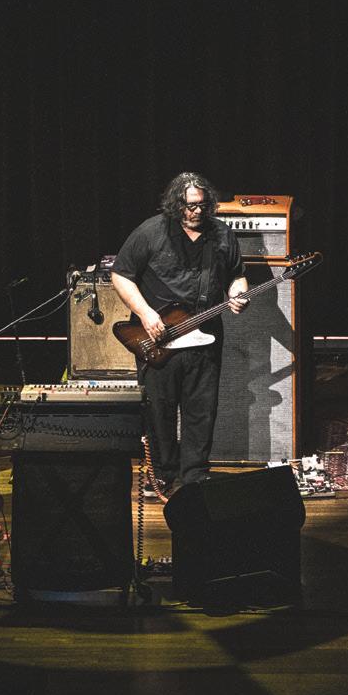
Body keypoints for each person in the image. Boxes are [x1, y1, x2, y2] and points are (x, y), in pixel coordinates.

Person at [111, 172, 247, 492]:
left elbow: (237, 275)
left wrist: (238, 294)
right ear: (175, 204)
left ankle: (195, 474)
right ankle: (162, 472)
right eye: (190, 206)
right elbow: (121, 275)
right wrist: (145, 313)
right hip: (160, 336)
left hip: (206, 334)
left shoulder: (222, 234)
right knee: (160, 409)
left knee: (202, 410)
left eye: (202, 205)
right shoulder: (151, 232)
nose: (197, 211)